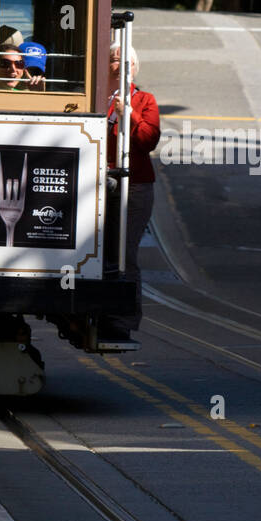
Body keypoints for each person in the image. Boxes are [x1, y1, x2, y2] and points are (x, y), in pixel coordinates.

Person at [104, 42, 161, 343]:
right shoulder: (97, 98)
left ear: (135, 67)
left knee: (125, 251)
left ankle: (123, 319)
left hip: (135, 186)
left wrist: (130, 114)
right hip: (99, 184)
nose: (121, 65)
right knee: (99, 250)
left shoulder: (145, 100)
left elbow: (149, 140)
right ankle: (98, 311)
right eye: (114, 60)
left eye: (127, 61)